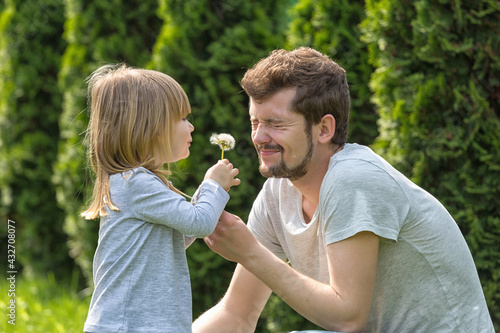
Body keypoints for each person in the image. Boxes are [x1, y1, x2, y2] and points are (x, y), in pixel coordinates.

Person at [192, 48, 494, 333]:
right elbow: (236, 316)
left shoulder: (353, 179)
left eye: (275, 124)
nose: (258, 137)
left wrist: (250, 253)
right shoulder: (277, 194)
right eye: (255, 122)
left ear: (324, 129)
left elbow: (349, 318)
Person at [81, 64, 240, 333]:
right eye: (181, 119)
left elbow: (174, 237)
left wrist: (211, 193)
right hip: (130, 326)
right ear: (151, 127)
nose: (191, 126)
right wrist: (213, 186)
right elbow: (198, 223)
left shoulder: (136, 182)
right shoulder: (136, 183)